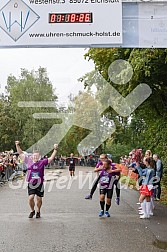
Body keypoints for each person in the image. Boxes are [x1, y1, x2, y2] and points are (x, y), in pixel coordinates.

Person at [15, 141, 58, 219]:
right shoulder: (28, 161)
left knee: (39, 199)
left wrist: (55, 150)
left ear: (39, 156)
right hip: (31, 183)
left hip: (40, 184)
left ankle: (38, 211)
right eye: (34, 156)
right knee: (31, 198)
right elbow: (20, 153)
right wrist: (17, 145)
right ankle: (32, 211)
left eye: (37, 156)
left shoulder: (42, 162)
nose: (35, 157)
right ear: (32, 156)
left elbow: (51, 158)